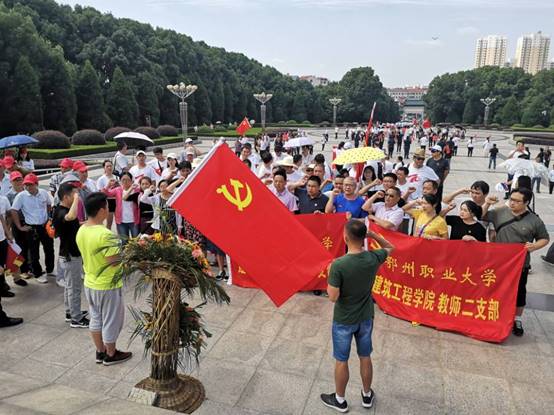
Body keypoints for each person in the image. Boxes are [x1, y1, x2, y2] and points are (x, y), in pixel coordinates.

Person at [320, 220, 394, 412]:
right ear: (363, 237)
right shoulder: (373, 257)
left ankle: (340, 400)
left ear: (345, 237)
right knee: (365, 355)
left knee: (341, 359)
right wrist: (373, 235)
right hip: (365, 316)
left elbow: (332, 297)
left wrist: (329, 275)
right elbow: (390, 247)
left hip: (344, 319)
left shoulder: (339, 265)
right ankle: (367, 395)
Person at [482, 188, 549, 336]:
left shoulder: (534, 220)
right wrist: (487, 203)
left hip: (520, 263)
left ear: (526, 202)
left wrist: (534, 246)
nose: (512, 203)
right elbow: (481, 215)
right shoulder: (500, 212)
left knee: (519, 292)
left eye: (517, 201)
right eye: (511, 199)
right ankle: (494, 313)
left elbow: (544, 238)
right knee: (495, 288)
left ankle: (517, 319)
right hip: (498, 261)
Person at [76, 192, 133, 365]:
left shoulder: (82, 229)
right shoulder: (106, 234)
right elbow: (114, 263)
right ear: (101, 210)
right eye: (107, 207)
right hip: (107, 285)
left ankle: (100, 351)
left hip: (90, 282)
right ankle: (111, 353)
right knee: (111, 320)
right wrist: (128, 255)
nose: (108, 210)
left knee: (96, 318)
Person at [52, 183, 89, 328]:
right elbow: (71, 216)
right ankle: (76, 319)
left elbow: (73, 223)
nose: (77, 198)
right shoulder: (61, 211)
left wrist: (86, 223)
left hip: (69, 255)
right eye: (74, 195)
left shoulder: (63, 210)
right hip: (70, 256)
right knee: (74, 288)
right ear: (66, 197)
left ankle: (70, 312)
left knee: (69, 286)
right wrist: (77, 199)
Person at [10, 173, 54, 282]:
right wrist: (19, 226)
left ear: (36, 184)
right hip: (31, 228)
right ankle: (37, 273)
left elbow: (49, 204)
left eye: (30, 184)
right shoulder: (21, 196)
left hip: (44, 226)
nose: (28, 187)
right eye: (26, 185)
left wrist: (48, 217)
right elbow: (13, 210)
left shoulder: (43, 193)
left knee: (49, 249)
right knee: (34, 253)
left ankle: (50, 270)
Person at [102, 172, 140, 239]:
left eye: (128, 180)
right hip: (121, 221)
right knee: (124, 241)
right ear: (120, 181)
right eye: (123, 180)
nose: (125, 182)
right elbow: (105, 193)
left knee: (136, 241)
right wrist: (108, 185)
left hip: (134, 220)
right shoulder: (118, 190)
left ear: (132, 180)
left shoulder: (136, 190)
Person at [96, 160, 118, 230]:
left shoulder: (117, 177)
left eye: (110, 166)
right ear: (104, 168)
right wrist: (108, 186)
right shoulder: (101, 179)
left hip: (117, 201)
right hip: (108, 202)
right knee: (109, 223)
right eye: (107, 166)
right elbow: (100, 194)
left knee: (119, 223)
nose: (109, 168)